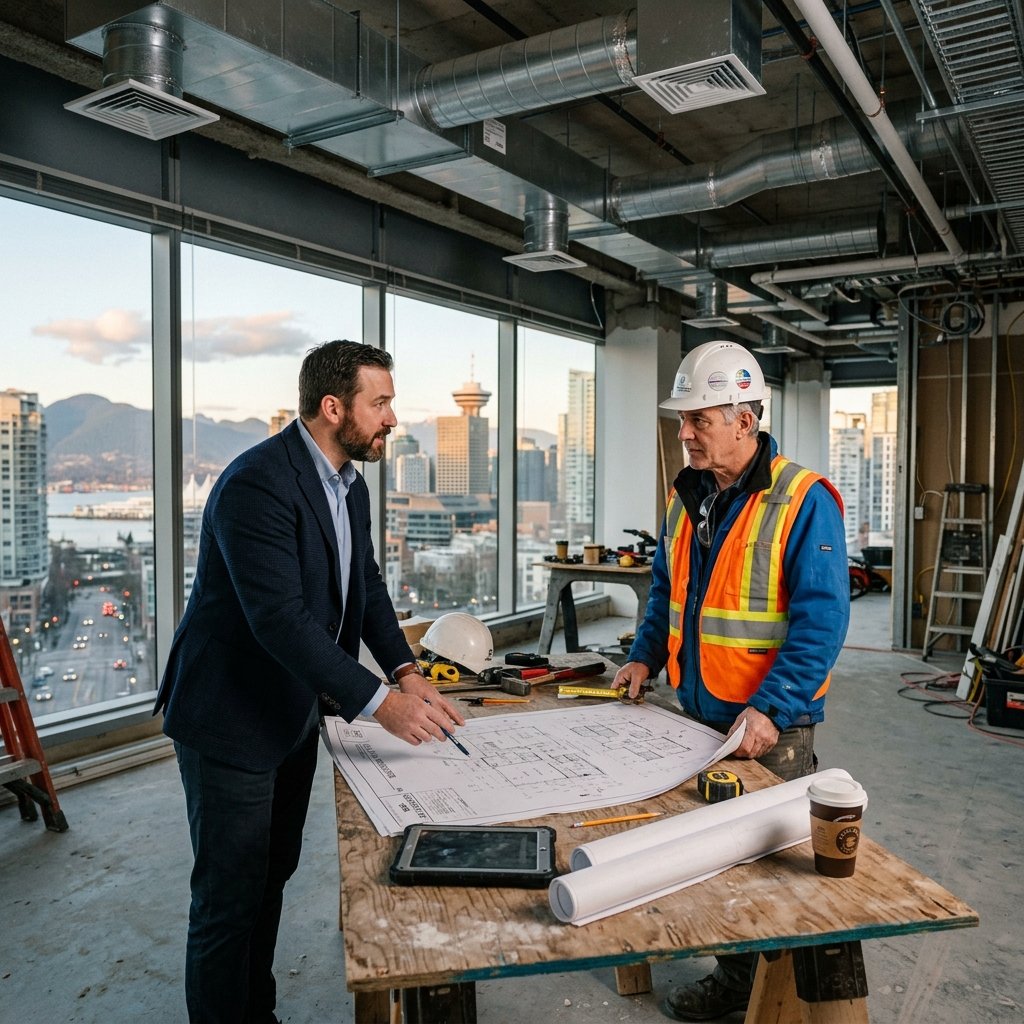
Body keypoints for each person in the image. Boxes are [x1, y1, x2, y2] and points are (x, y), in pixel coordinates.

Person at [154, 339, 464, 1024]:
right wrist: (380, 704)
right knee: (229, 899)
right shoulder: (257, 484)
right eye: (379, 402)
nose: (392, 418)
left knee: (270, 881)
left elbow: (367, 589)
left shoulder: (346, 482)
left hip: (292, 711)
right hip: (230, 718)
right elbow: (281, 622)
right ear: (333, 407)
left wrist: (408, 671)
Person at [613, 340, 849, 1022]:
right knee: (707, 855)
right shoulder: (689, 497)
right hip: (698, 713)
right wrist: (643, 657)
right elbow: (666, 590)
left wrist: (772, 708)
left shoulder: (803, 500)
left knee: (760, 866)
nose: (684, 432)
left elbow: (822, 622)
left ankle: (748, 990)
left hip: (766, 727)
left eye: (700, 418)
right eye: (682, 419)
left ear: (746, 419)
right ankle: (734, 971)